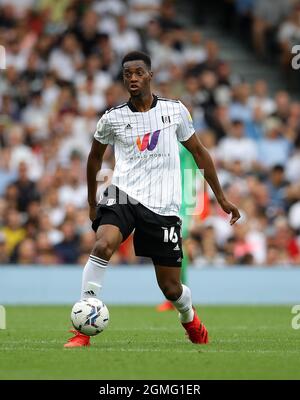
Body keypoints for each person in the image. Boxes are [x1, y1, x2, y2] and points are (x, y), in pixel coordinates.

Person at [64, 51, 240, 348]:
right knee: (102, 244)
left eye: (138, 72)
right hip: (122, 194)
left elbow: (199, 153)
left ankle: (189, 317)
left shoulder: (175, 111)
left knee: (171, 288)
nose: (132, 78)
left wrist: (221, 198)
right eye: (127, 74)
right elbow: (94, 159)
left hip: (163, 206)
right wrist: (93, 202)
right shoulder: (112, 118)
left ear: (150, 75)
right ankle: (83, 328)